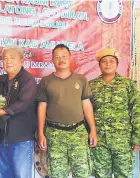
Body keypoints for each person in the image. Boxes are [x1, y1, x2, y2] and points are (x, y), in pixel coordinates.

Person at [36, 44, 98, 178]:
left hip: (78, 133)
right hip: (55, 133)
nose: (61, 59)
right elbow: (41, 108)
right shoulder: (46, 81)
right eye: (57, 57)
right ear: (52, 60)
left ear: (70, 58)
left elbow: (87, 105)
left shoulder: (81, 79)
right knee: (57, 174)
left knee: (82, 173)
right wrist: (41, 133)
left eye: (64, 56)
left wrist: (92, 130)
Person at [89, 48, 140, 178]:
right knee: (101, 174)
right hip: (99, 141)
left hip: (122, 140)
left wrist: (139, 137)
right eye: (104, 61)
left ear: (117, 64)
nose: (108, 64)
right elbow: (86, 112)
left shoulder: (127, 84)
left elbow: (137, 110)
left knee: (124, 174)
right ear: (99, 65)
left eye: (111, 61)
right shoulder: (91, 86)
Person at [0, 46, 37, 178]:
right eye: (5, 58)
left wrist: (2, 111)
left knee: (21, 175)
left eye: (12, 58)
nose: (8, 61)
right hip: (2, 137)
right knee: (4, 175)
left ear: (22, 61)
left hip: (20, 139)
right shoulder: (0, 80)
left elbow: (22, 103)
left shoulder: (28, 79)